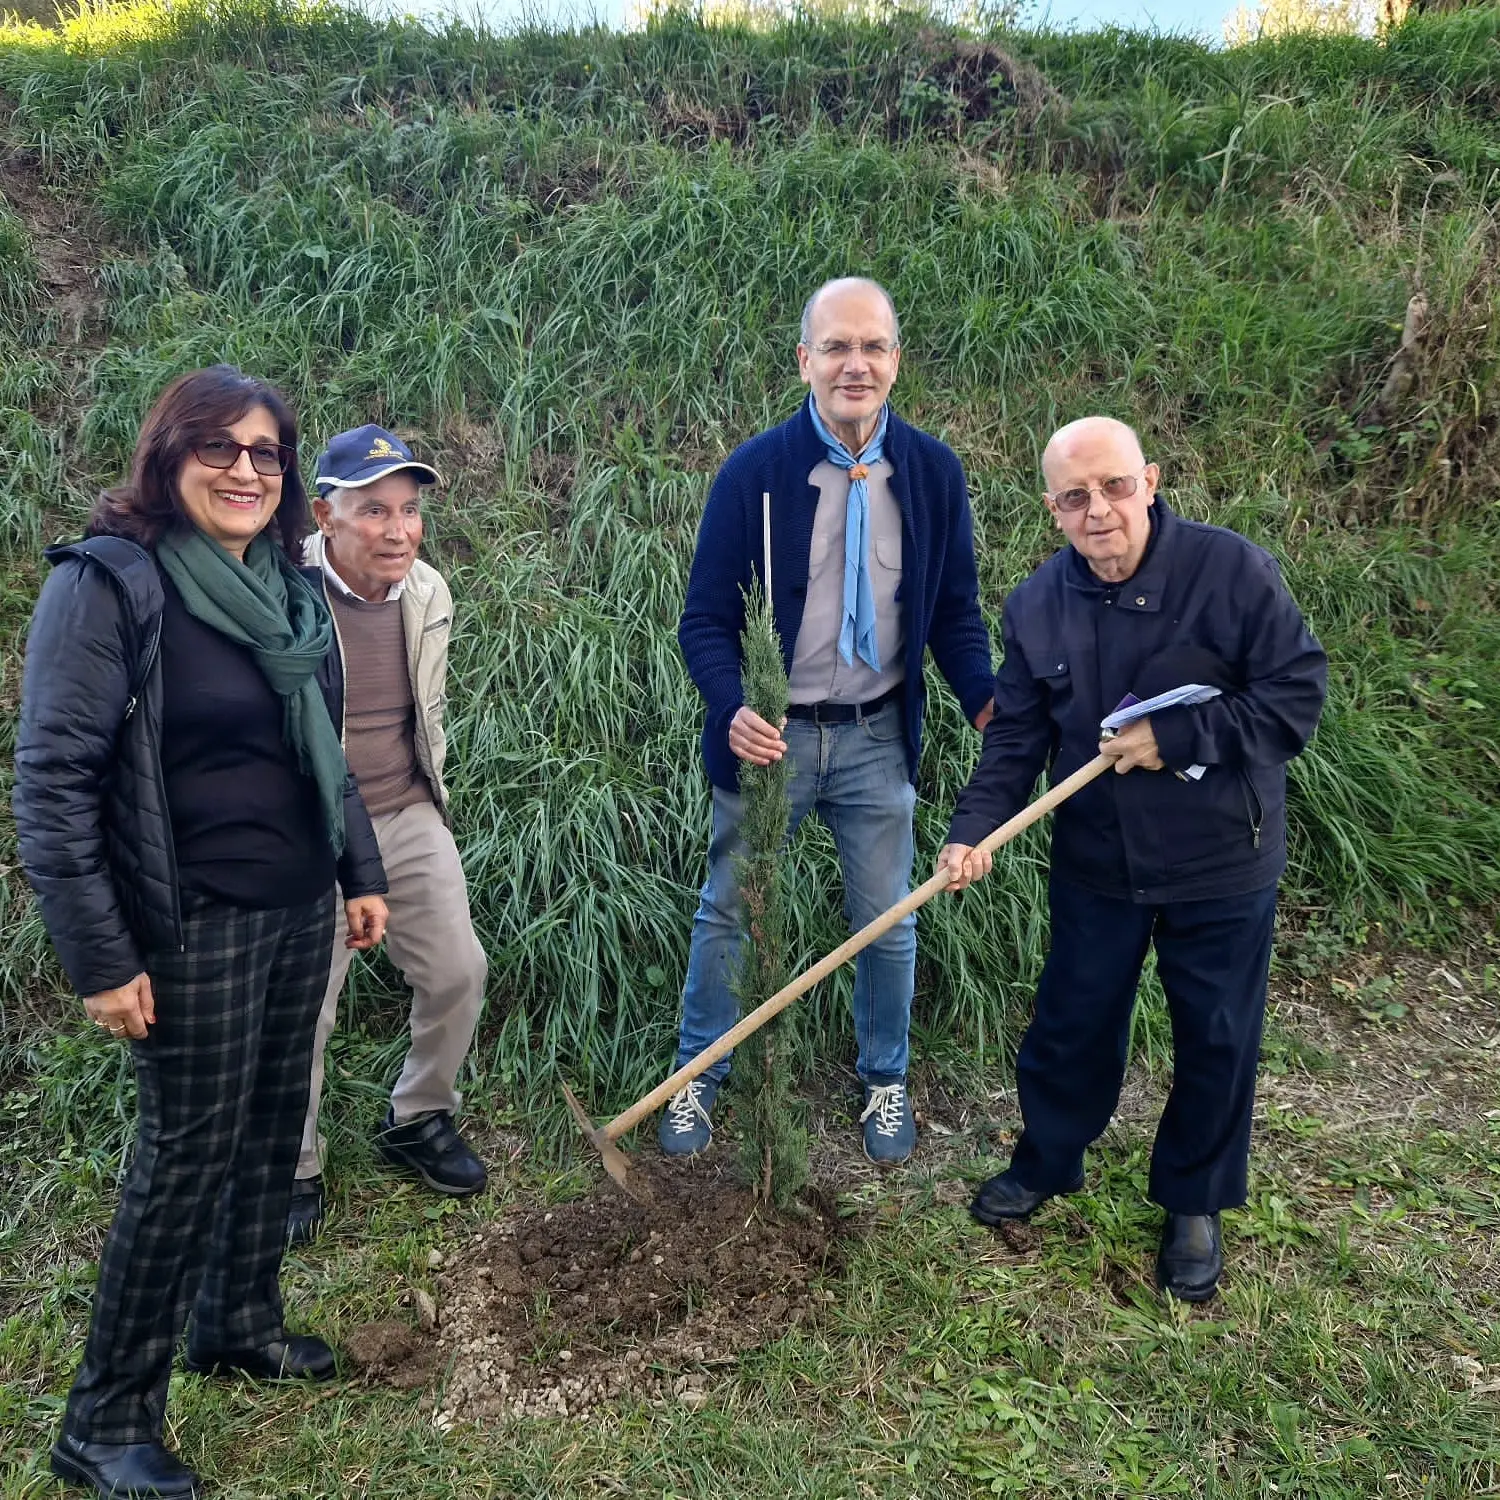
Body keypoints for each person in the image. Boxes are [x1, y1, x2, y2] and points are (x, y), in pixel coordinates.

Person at [13, 366, 389, 1500]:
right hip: (190, 927)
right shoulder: (112, 586)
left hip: (292, 911)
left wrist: (356, 872)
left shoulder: (285, 587)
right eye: (220, 449)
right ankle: (105, 1420)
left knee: (272, 1133)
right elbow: (53, 780)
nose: (245, 470)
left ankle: (237, 1323)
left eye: (267, 453)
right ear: (169, 459)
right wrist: (101, 955)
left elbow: (326, 746)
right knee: (184, 1158)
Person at [938, 415, 1327, 1302]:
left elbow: (1295, 697)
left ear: (1149, 480)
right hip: (1097, 860)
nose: (1099, 510)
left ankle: (1195, 1199)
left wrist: (1180, 732)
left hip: (1222, 855)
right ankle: (1048, 1157)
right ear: (1053, 509)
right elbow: (1015, 742)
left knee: (1217, 1033)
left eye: (1114, 486)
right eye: (1075, 497)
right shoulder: (1036, 605)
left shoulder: (1231, 571)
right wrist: (973, 830)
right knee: (1072, 1020)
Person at [662, 277, 995, 1166]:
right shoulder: (754, 474)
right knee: (729, 909)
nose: (856, 364)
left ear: (896, 361)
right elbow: (703, 621)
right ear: (805, 360)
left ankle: (885, 1078)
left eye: (873, 346)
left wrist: (985, 697)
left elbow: (955, 613)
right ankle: (699, 1069)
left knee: (887, 919)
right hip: (771, 740)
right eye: (837, 347)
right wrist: (731, 708)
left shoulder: (931, 474)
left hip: (877, 735)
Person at [285, 424, 488, 1246]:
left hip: (403, 811)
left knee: (458, 971)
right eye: (375, 511)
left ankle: (420, 1117)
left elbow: (420, 716)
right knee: (303, 1006)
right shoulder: (280, 592)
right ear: (325, 518)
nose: (400, 530)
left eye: (410, 510)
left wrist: (428, 806)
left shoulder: (429, 591)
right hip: (306, 831)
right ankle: (290, 1163)